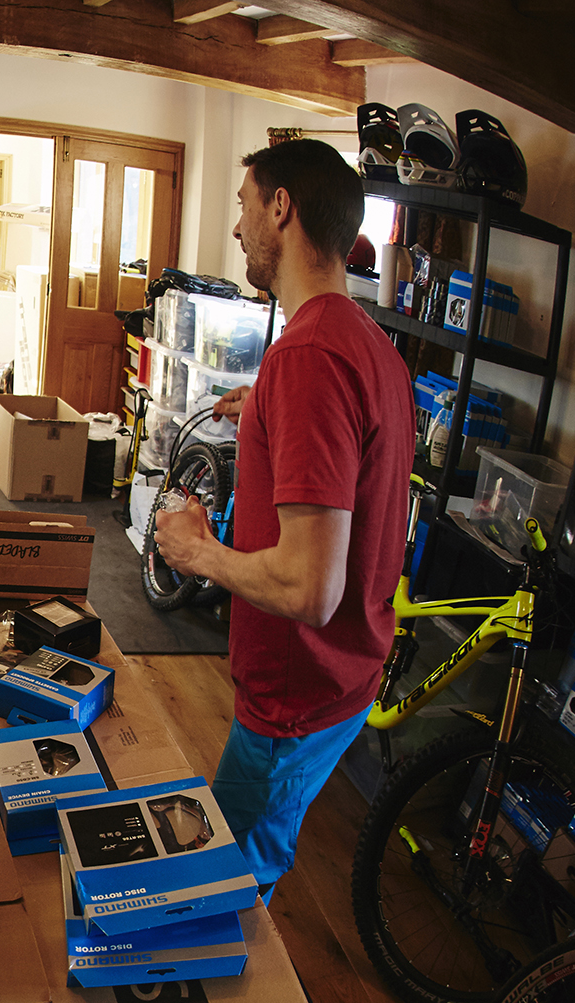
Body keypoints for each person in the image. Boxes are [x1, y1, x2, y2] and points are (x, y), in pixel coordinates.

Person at [152, 138, 413, 903]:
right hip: (343, 677)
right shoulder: (365, 344)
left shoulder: (309, 360)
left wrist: (199, 551)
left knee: (220, 893)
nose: (237, 227)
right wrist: (265, 408)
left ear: (281, 207)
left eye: (243, 205)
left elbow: (308, 587)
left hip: (297, 692)